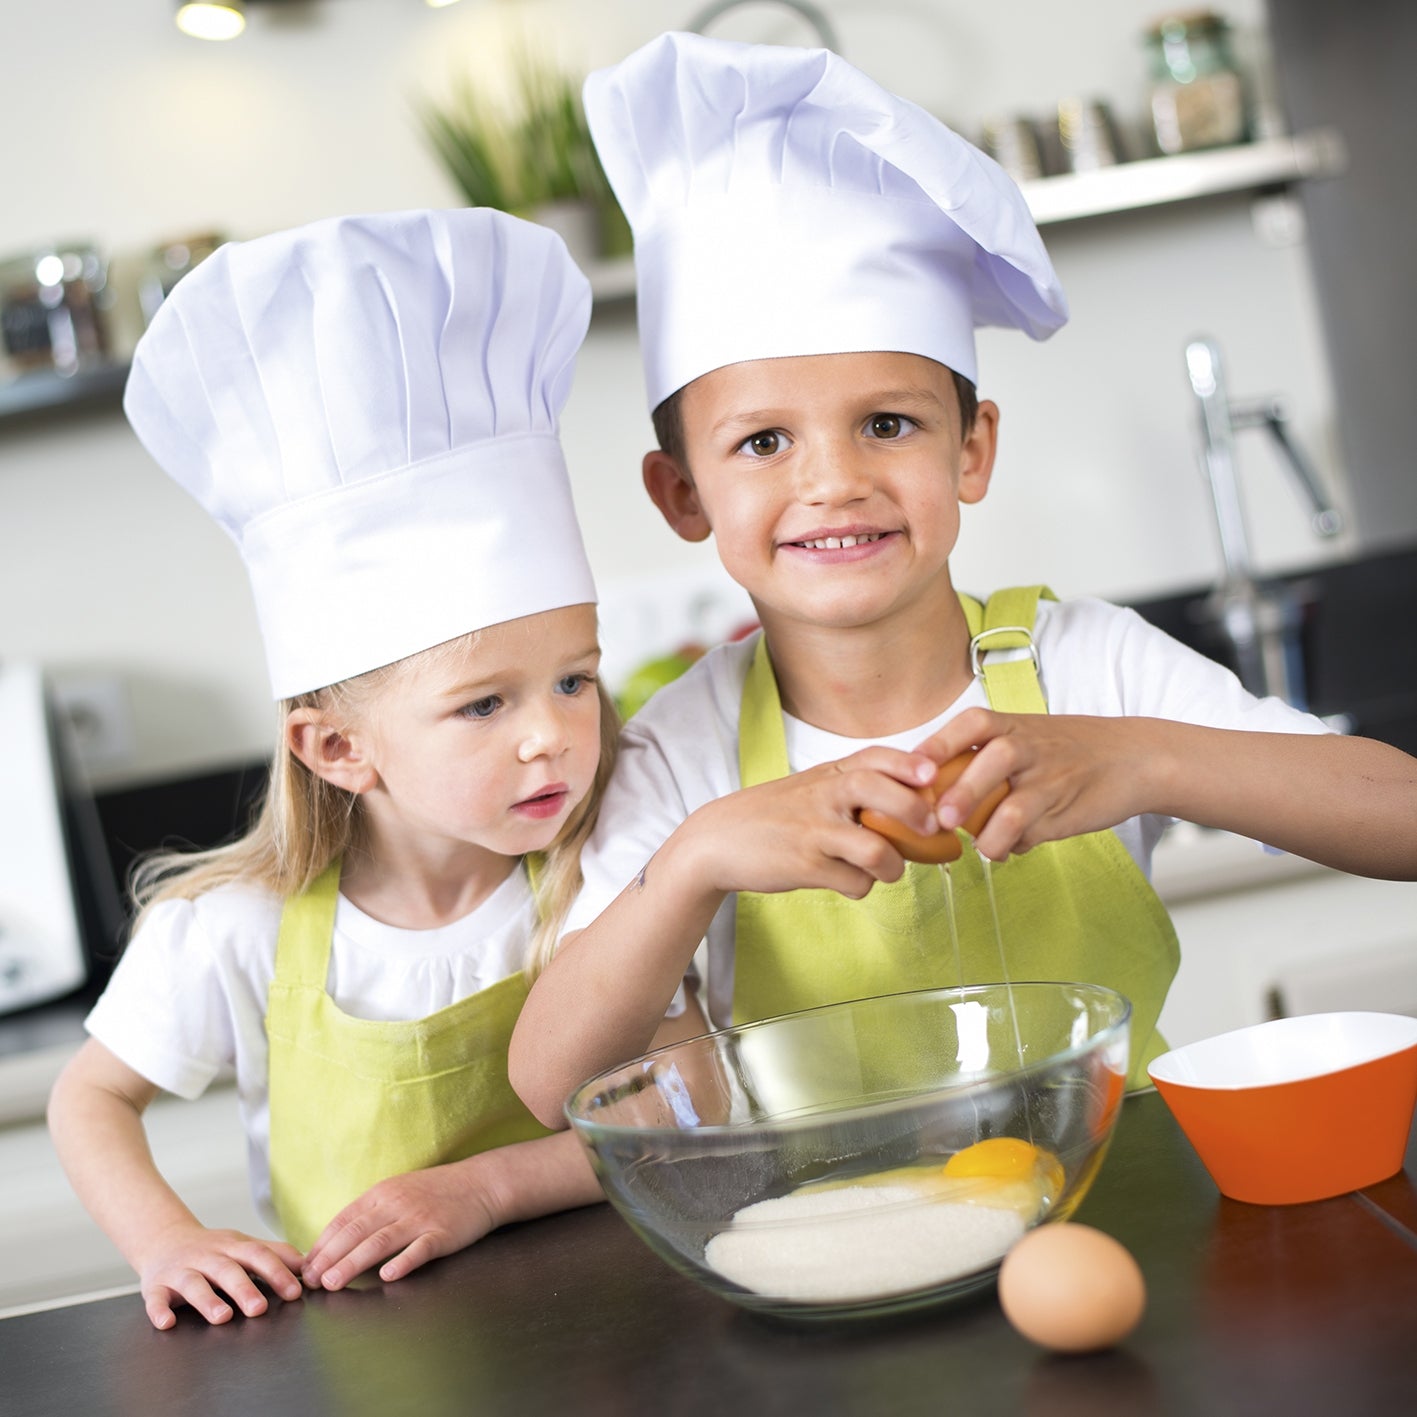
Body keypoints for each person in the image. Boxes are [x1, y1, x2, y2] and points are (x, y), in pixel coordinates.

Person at [508, 32, 1417, 1126]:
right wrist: (694, 862)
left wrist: (1146, 757)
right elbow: (555, 1086)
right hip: (837, 1241)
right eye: (761, 444)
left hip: (1133, 1195)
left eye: (887, 424)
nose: (834, 481)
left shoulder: (1086, 664)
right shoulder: (680, 757)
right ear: (682, 494)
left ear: (971, 449)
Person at [46, 209, 663, 1331]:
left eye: (574, 679)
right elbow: (91, 1096)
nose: (551, 735)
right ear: (339, 748)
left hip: (623, 1327)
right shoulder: (238, 927)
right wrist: (169, 1240)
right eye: (484, 703)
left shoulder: (612, 865)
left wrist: (490, 1185)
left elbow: (683, 1098)